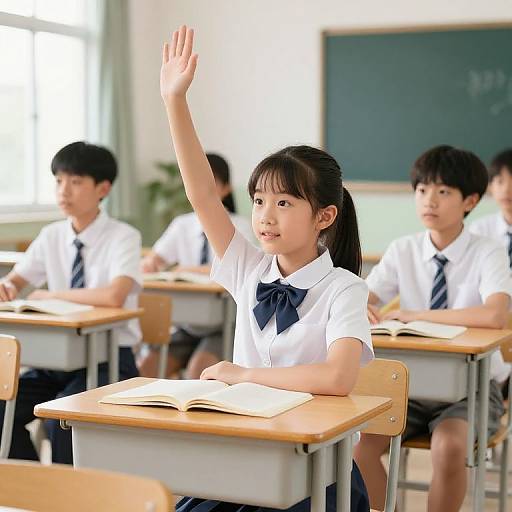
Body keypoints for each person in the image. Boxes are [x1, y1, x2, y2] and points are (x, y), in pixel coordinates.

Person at [159, 25, 374, 512]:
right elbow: (199, 192)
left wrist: (243, 376)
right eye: (258, 201)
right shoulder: (247, 269)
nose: (265, 216)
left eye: (283, 202)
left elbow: (338, 378)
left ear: (324, 216)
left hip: (316, 466)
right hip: (245, 454)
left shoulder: (344, 288)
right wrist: (175, 100)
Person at [356, 145, 511, 512]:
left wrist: (416, 316)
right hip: (408, 385)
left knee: (450, 446)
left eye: (443, 192)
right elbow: (365, 297)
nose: (430, 201)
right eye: (422, 190)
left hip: (471, 389)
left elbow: (495, 315)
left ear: (470, 200)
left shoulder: (487, 251)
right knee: (361, 447)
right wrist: (362, 305)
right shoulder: (402, 249)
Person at [0, 141, 141, 464]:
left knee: (62, 419)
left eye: (76, 182)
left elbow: (113, 295)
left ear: (103, 188)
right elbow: (16, 281)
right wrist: (7, 285)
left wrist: (50, 294)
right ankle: (35, 488)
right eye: (59, 181)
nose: (64, 191)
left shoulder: (124, 236)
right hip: (56, 361)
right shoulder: (51, 235)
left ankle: (69, 497)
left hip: (110, 359)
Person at [140, 153, 252, 378]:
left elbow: (234, 269)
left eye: (210, 183)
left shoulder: (241, 226)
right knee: (147, 368)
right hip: (184, 324)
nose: (201, 191)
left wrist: (182, 270)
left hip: (223, 326)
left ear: (226, 188)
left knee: (198, 371)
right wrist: (152, 263)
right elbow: (154, 260)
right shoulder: (182, 224)